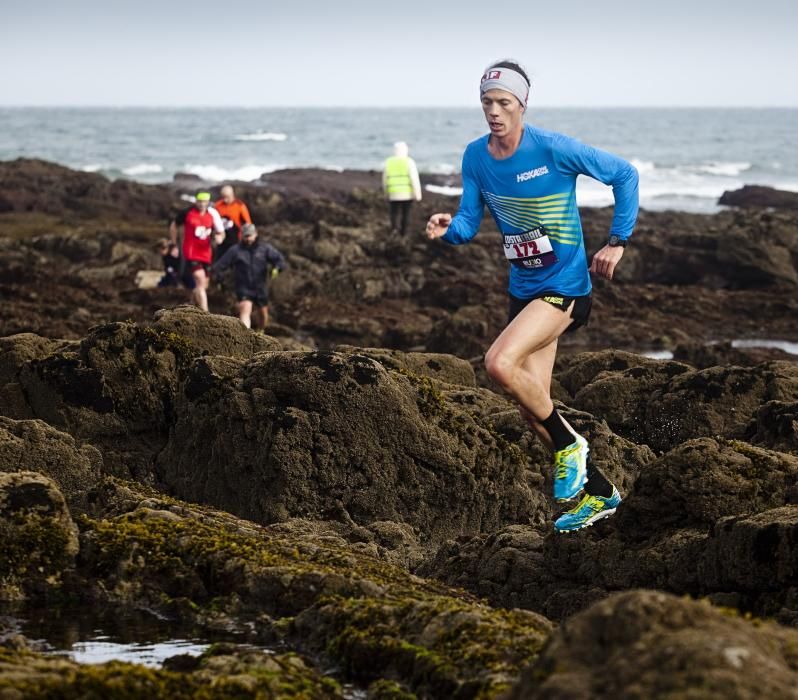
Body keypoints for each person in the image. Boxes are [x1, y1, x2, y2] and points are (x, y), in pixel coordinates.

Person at [425, 59, 639, 533]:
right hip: (522, 291)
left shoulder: (553, 148)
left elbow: (625, 174)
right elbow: (469, 218)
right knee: (533, 406)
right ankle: (601, 493)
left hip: (565, 287)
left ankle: (571, 447)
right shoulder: (476, 157)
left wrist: (617, 241)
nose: (494, 112)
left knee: (499, 364)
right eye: (487, 102)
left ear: (522, 104)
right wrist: (448, 230)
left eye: (504, 102)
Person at [211, 223, 285, 329]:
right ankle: (246, 336)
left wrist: (276, 269)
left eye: (250, 235)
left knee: (263, 313)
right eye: (246, 236)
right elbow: (219, 266)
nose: (248, 238)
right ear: (242, 236)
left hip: (260, 286)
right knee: (245, 309)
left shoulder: (265, 248)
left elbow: (279, 260)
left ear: (255, 234)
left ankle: (261, 331)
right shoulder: (235, 250)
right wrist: (220, 279)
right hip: (243, 286)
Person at [169, 192, 225, 311]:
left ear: (208, 202)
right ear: (195, 201)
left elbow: (221, 232)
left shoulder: (213, 213)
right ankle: (206, 313)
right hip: (191, 253)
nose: (202, 204)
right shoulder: (187, 212)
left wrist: (220, 238)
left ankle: (191, 306)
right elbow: (174, 225)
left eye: (204, 202)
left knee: (203, 285)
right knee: (200, 280)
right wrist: (174, 244)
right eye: (199, 201)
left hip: (206, 254)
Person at [382, 141, 422, 235]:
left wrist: (386, 193)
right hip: (407, 194)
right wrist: (418, 194)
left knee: (394, 213)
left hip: (393, 193)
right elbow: (414, 179)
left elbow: (384, 179)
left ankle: (394, 230)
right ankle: (404, 233)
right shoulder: (409, 161)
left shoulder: (389, 162)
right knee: (406, 214)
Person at [214, 185, 253, 259]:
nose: (225, 200)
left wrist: (248, 238)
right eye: (223, 197)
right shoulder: (217, 205)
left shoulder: (240, 206)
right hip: (221, 238)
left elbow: (248, 223)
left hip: (235, 238)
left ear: (232, 195)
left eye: (227, 197)